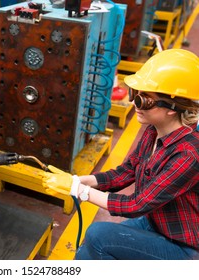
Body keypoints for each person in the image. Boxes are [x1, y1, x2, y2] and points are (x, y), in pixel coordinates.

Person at [42, 48, 199, 260]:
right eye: (135, 95)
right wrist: (81, 180)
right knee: (87, 250)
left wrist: (81, 192)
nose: (134, 104)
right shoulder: (153, 131)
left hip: (183, 246)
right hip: (156, 221)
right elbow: (126, 172)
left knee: (98, 235)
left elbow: (137, 204)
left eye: (144, 100)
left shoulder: (188, 154)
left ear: (172, 107)